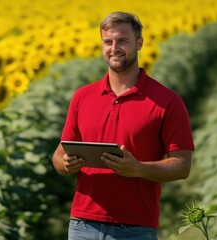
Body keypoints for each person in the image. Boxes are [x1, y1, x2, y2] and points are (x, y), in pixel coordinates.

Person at [52, 11, 194, 240]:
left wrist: (138, 168)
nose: (114, 48)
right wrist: (65, 163)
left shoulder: (167, 101)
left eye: (122, 41)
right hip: (82, 225)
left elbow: (182, 165)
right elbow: (60, 153)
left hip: (135, 228)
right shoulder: (82, 97)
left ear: (139, 43)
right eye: (108, 42)